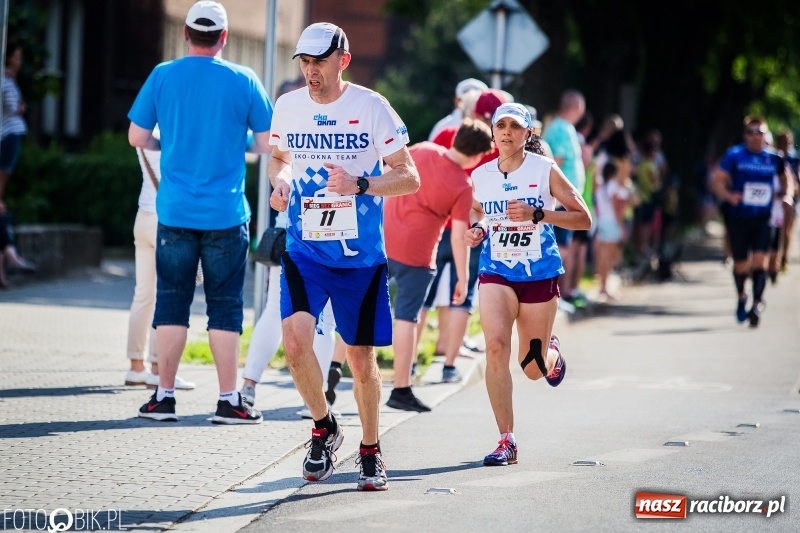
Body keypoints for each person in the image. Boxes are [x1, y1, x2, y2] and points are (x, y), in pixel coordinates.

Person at [268, 22, 420, 491]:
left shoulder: (372, 107)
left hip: (359, 257)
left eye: (319, 63)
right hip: (304, 248)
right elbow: (279, 157)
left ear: (343, 60)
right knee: (295, 342)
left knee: (358, 357)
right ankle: (324, 426)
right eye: (305, 64)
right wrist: (282, 180)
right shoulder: (288, 106)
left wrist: (360, 184)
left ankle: (371, 449)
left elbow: (409, 177)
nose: (311, 73)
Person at [128, 0, 273, 423]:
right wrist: (237, 146)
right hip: (227, 214)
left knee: (171, 302)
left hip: (173, 211)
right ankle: (229, 400)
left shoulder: (162, 75)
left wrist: (165, 145)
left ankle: (164, 397)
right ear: (224, 38)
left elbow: (137, 136)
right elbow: (267, 144)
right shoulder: (244, 79)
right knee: (225, 305)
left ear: (187, 35)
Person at [464, 103, 591, 466]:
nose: (506, 132)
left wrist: (539, 214)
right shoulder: (483, 174)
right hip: (496, 271)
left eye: (514, 127)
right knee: (495, 346)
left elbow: (583, 218)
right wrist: (479, 229)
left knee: (532, 368)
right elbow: (479, 210)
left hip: (539, 273)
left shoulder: (544, 170)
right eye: (500, 126)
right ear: (492, 132)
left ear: (528, 134)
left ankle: (550, 352)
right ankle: (507, 439)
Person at [385, 118, 493, 413]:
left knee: (363, 307)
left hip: (383, 242)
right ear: (477, 156)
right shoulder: (462, 184)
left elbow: (387, 177)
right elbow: (459, 236)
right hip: (417, 255)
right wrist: (463, 275)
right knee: (407, 319)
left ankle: (332, 370)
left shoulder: (421, 150)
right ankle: (401, 388)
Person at [124, 130, 195, 390]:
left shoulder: (144, 133)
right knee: (168, 295)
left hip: (143, 216)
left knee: (143, 295)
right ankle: (157, 368)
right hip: (166, 219)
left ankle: (135, 368)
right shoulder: (172, 132)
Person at [711, 115, 792, 327]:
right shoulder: (735, 155)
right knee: (740, 264)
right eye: (751, 132)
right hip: (739, 218)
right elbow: (717, 181)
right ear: (745, 135)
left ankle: (757, 303)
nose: (755, 136)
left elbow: (787, 179)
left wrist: (787, 195)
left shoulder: (774, 158)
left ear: (766, 136)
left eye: (760, 132)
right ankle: (741, 297)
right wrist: (729, 196)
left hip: (763, 219)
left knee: (759, 261)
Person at [541, 90, 587, 306]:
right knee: (560, 248)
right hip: (560, 200)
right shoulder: (561, 129)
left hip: (564, 199)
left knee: (563, 247)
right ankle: (552, 294)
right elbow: (555, 162)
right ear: (577, 107)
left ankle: (558, 294)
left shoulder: (563, 127)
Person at [0, 42, 36, 289]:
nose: (19, 61)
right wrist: (20, 107)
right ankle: (11, 256)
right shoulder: (5, 80)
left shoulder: (9, 80)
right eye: (17, 56)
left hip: (10, 136)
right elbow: (12, 109)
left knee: (1, 210)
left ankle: (5, 269)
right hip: (9, 136)